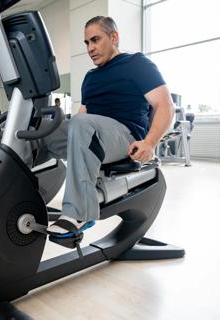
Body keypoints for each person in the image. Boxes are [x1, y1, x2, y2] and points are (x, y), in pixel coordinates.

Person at [42, 16, 174, 238]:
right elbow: (82, 116)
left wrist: (150, 143)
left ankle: (79, 213)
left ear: (114, 37)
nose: (90, 48)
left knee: (82, 124)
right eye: (87, 43)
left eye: (95, 40)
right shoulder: (90, 77)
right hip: (93, 135)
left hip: (125, 136)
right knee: (42, 130)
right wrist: (62, 130)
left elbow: (166, 106)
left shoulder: (136, 64)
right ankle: (21, 194)